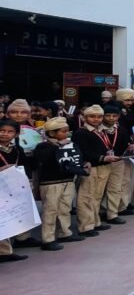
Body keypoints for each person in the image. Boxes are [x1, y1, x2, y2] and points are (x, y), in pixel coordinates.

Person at [34, 117, 88, 250]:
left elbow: (76, 158)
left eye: (67, 131)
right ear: (52, 133)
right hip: (50, 183)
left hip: (67, 180)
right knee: (50, 210)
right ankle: (48, 238)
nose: (67, 134)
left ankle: (65, 232)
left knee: (65, 208)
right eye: (63, 131)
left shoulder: (70, 144)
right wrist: (57, 145)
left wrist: (84, 164)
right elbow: (41, 158)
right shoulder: (43, 146)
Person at [70, 105, 119, 237]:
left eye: (99, 117)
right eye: (92, 116)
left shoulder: (101, 131)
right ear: (85, 117)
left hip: (104, 166)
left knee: (97, 196)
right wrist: (102, 157)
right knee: (86, 197)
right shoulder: (81, 133)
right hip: (91, 168)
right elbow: (82, 152)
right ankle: (85, 226)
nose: (96, 119)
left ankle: (95, 221)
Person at [0, 120, 29, 262]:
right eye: (2, 130)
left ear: (16, 134)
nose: (5, 134)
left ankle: (6, 250)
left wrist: (26, 182)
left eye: (10, 131)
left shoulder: (17, 149)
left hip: (11, 187)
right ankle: (4, 252)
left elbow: (23, 167)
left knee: (8, 217)